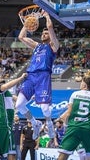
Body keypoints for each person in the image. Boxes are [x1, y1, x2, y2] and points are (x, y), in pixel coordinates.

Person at [16, 11, 59, 140]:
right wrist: (27, 22)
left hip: (43, 77)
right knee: (18, 105)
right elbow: (21, 37)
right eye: (42, 33)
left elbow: (50, 27)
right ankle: (35, 122)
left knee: (45, 108)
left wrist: (46, 16)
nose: (43, 34)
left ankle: (49, 123)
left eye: (46, 33)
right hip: (30, 76)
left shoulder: (53, 46)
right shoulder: (37, 46)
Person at [57, 76, 90, 160]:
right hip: (89, 129)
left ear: (85, 85)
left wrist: (66, 123)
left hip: (74, 127)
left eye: (81, 82)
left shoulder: (75, 94)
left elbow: (68, 113)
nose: (80, 83)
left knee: (63, 156)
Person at [0, 72, 27, 160]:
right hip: (3, 124)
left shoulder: (3, 93)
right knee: (11, 154)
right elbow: (5, 86)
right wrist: (21, 78)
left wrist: (30, 97)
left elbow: (18, 99)